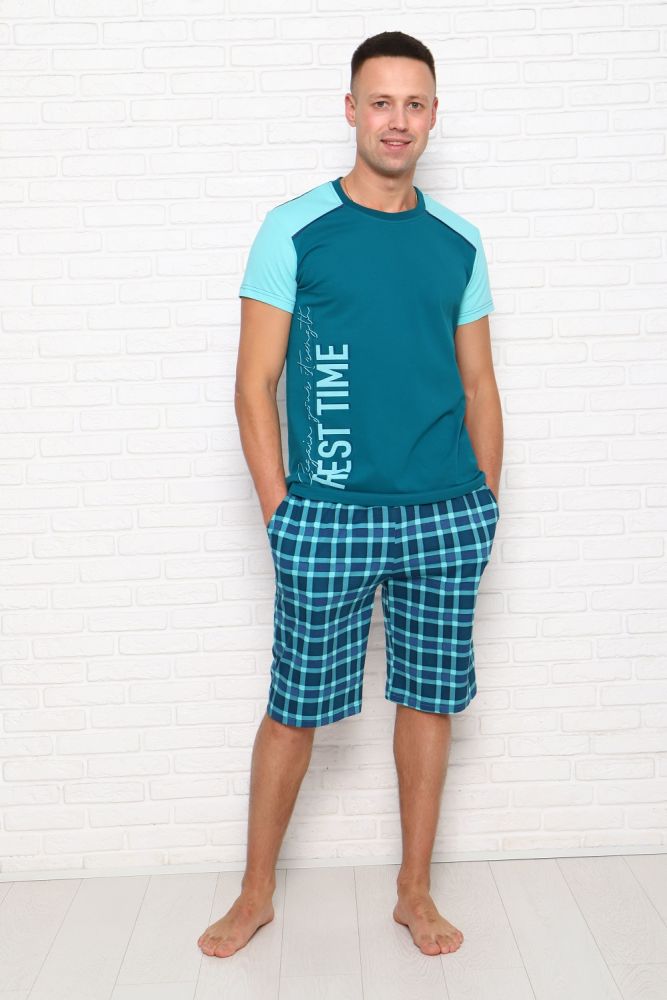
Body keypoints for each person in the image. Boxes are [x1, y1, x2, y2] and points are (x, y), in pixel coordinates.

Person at [199, 29, 503, 960]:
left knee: (429, 701)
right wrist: (281, 511)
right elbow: (253, 384)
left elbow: (479, 384)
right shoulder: (293, 229)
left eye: (413, 104)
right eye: (380, 102)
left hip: (444, 512)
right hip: (327, 515)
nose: (395, 120)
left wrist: (483, 503)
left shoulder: (458, 241)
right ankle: (256, 892)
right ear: (351, 111)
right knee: (295, 705)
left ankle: (414, 892)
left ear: (433, 115)